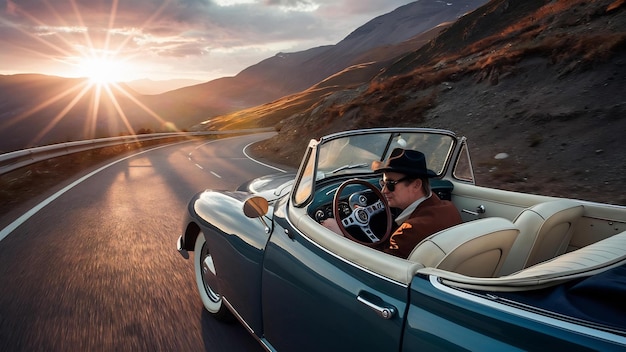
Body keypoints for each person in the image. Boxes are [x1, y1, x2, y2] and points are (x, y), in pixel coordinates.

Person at [322, 148, 462, 258]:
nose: (383, 191)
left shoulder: (410, 231)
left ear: (416, 185)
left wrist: (341, 236)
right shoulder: (449, 208)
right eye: (382, 183)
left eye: (390, 184)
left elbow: (378, 265)